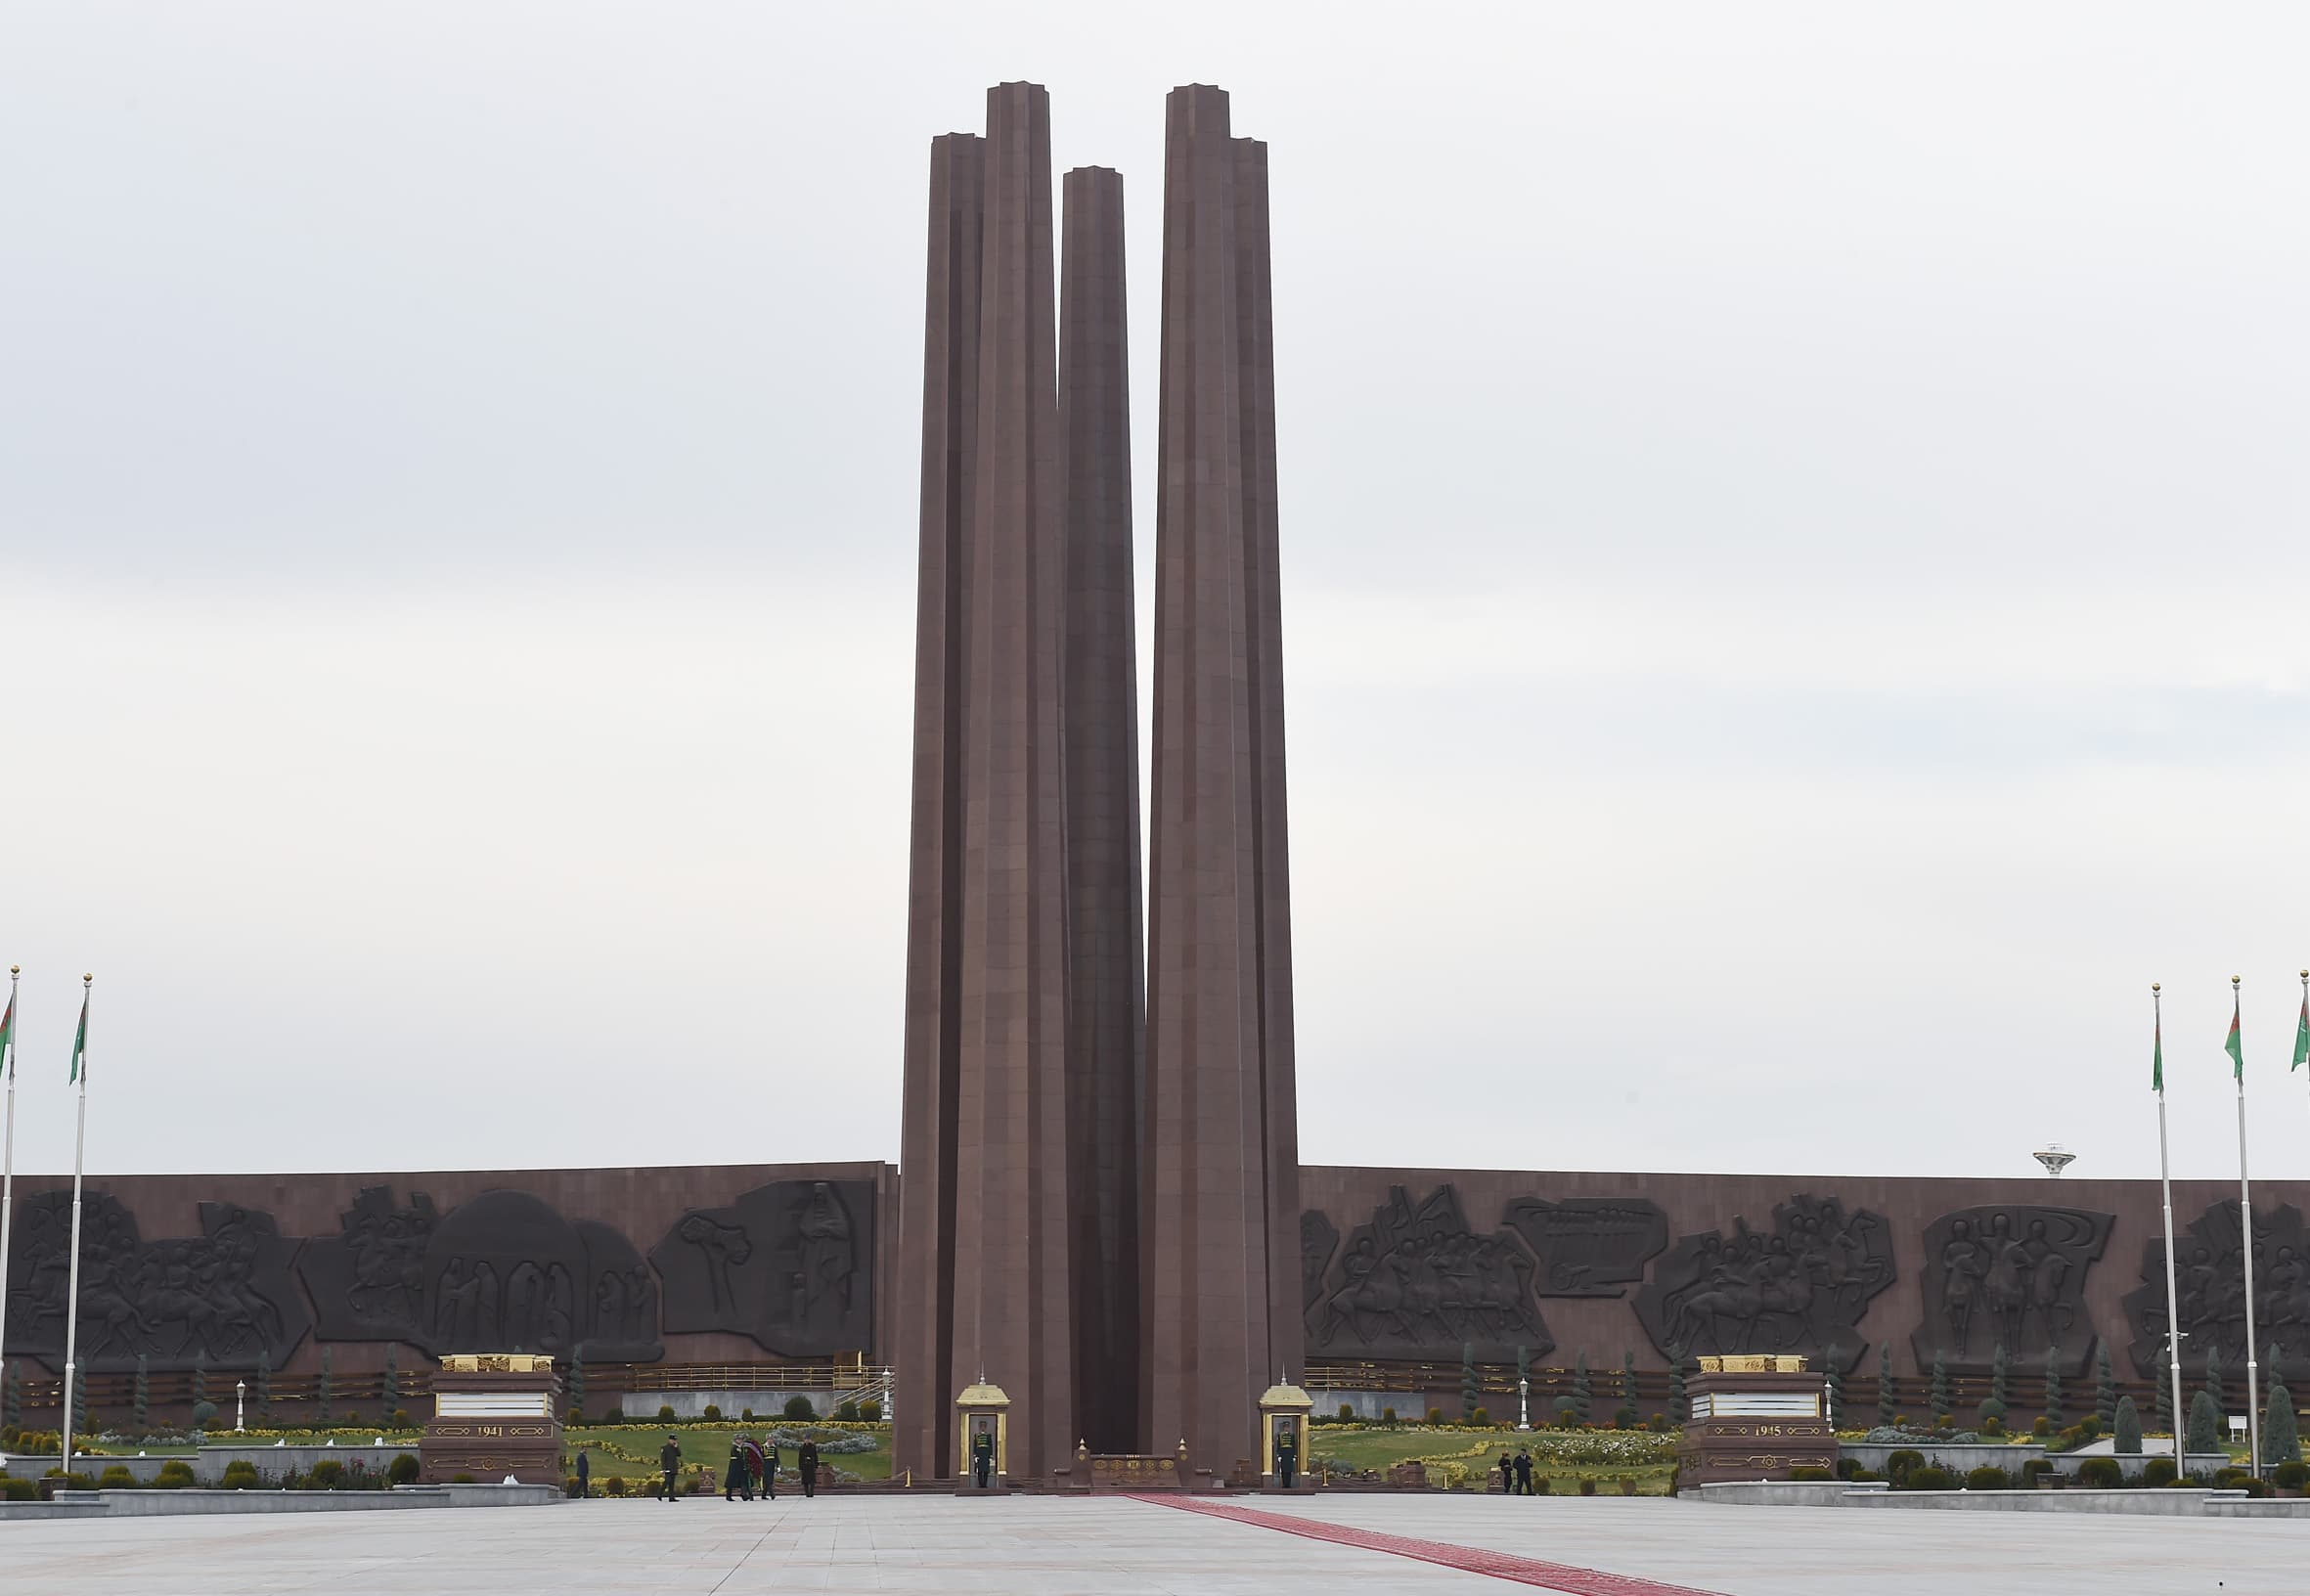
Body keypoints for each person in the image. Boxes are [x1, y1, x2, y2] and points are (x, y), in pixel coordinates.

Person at [659, 1436, 683, 1504]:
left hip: (673, 1468)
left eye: (675, 1440)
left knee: (672, 1484)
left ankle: (671, 1497)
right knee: (667, 1481)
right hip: (667, 1468)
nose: (674, 1441)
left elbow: (679, 1454)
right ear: (669, 1440)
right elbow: (663, 1459)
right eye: (672, 1440)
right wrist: (663, 1469)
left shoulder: (674, 1448)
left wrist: (676, 1447)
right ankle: (660, 1494)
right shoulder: (665, 1448)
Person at [970, 1424, 995, 1489]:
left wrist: (990, 1456)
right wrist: (975, 1455)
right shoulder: (977, 1436)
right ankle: (981, 1484)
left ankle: (985, 1484)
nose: (982, 1428)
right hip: (979, 1455)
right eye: (981, 1426)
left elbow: (990, 1446)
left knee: (986, 1471)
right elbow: (975, 1446)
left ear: (985, 1427)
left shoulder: (988, 1436)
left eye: (984, 1426)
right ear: (980, 1427)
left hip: (986, 1454)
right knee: (980, 1471)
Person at [1274, 1423, 1299, 1488]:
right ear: (1283, 1427)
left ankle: (1288, 1484)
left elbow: (1294, 1445)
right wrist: (1279, 1455)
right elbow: (1279, 1445)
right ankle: (1284, 1484)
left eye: (1287, 1427)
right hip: (1283, 1453)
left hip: (1290, 1454)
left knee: (1289, 1470)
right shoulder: (1280, 1435)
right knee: (1283, 1470)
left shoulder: (1292, 1435)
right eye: (1285, 1427)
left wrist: (1294, 1455)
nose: (1286, 1428)